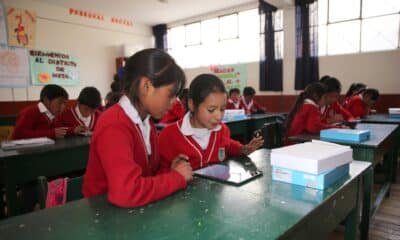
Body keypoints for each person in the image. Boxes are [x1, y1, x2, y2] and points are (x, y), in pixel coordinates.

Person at [82, 48, 193, 207]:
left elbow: (147, 176)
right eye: (171, 93)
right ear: (146, 86)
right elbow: (126, 192)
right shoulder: (114, 124)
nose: (175, 101)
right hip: (104, 215)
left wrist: (171, 171)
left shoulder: (145, 122)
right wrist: (176, 178)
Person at [158, 74, 264, 171]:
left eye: (222, 109)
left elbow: (227, 144)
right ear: (192, 105)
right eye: (211, 110)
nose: (219, 116)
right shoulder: (168, 135)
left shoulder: (222, 130)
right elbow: (159, 174)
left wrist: (242, 149)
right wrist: (172, 172)